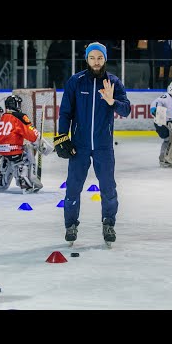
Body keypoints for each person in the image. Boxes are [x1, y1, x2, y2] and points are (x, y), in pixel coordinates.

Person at [53, 41, 131, 246]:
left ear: (105, 59)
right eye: (92, 58)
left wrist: (112, 101)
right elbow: (65, 113)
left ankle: (109, 223)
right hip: (79, 145)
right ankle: (70, 225)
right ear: (87, 59)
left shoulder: (113, 82)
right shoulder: (75, 81)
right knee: (73, 187)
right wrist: (62, 138)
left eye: (100, 58)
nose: (96, 62)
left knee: (108, 187)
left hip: (104, 146)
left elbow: (126, 110)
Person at [0, 95, 53, 194]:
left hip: (0, 148)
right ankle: (24, 180)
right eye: (18, 103)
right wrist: (44, 147)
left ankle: (0, 179)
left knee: (10, 159)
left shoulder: (4, 116)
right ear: (15, 105)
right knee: (26, 155)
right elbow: (31, 134)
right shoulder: (20, 116)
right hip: (12, 148)